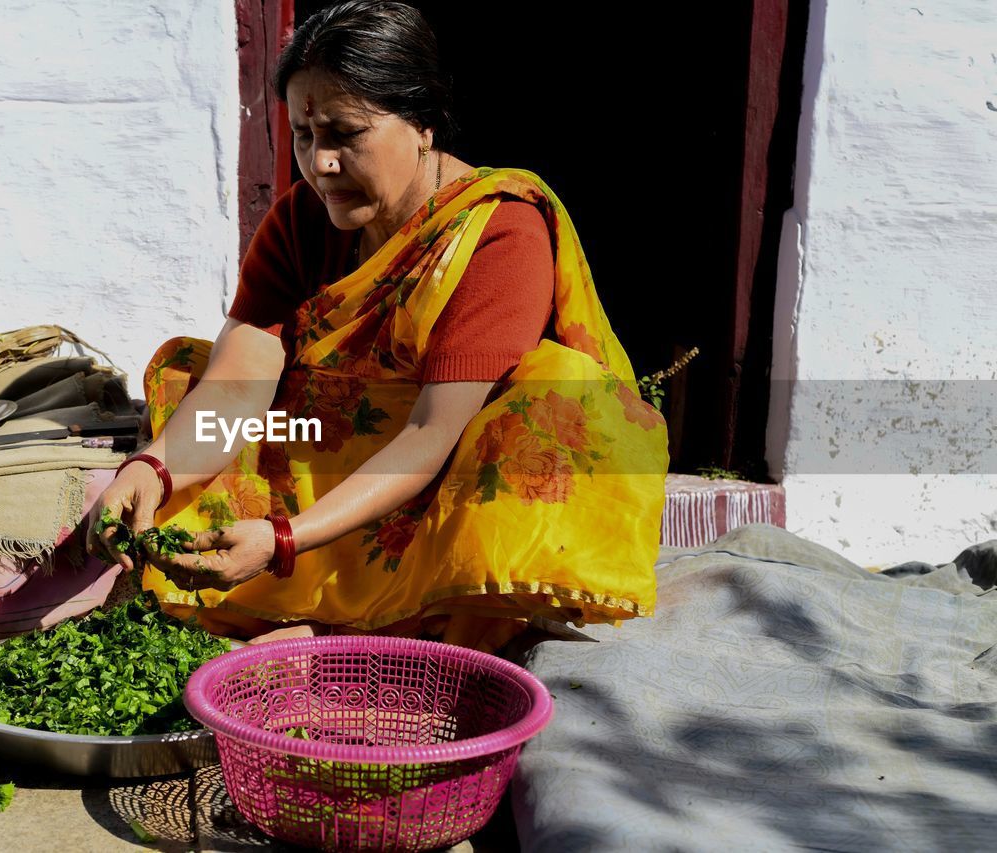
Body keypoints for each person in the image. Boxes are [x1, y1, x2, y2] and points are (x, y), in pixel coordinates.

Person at [89, 0, 668, 653]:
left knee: (552, 397)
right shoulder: (302, 223)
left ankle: (410, 628)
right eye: (305, 136)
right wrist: (149, 470)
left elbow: (431, 433)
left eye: (345, 133)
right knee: (196, 379)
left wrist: (282, 540)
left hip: (438, 478)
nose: (320, 163)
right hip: (337, 456)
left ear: (421, 122)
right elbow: (236, 392)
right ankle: (310, 618)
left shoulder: (498, 231)